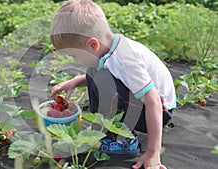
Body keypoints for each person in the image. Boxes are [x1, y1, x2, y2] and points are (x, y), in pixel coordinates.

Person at [49, 0, 175, 169]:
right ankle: (105, 130)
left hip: (160, 108)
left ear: (93, 44)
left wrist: (153, 151)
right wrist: (75, 82)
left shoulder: (126, 60)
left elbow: (153, 101)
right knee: (94, 71)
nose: (76, 61)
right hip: (149, 103)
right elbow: (112, 71)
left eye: (74, 56)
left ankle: (124, 141)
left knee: (101, 78)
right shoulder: (108, 48)